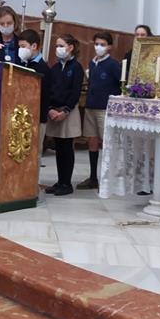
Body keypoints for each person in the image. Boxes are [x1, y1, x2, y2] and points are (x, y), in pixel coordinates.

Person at [78, 32, 121, 190]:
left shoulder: (113, 64)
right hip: (91, 106)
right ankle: (93, 177)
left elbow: (121, 84)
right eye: (96, 44)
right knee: (92, 141)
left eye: (102, 44)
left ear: (109, 47)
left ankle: (109, 177)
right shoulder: (92, 62)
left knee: (108, 142)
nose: (99, 47)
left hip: (105, 108)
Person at [44, 34, 84, 196]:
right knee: (58, 148)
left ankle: (66, 183)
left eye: (61, 46)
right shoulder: (54, 68)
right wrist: (50, 109)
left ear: (70, 47)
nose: (58, 49)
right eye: (56, 46)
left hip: (68, 111)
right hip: (54, 111)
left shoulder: (76, 67)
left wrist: (65, 110)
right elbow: (48, 89)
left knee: (67, 147)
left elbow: (75, 92)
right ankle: (60, 181)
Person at [18, 29, 51, 160]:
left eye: (23, 46)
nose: (20, 50)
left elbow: (44, 95)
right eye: (19, 47)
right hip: (21, 116)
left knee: (34, 154)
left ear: (34, 46)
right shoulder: (22, 64)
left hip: (37, 118)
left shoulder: (43, 68)